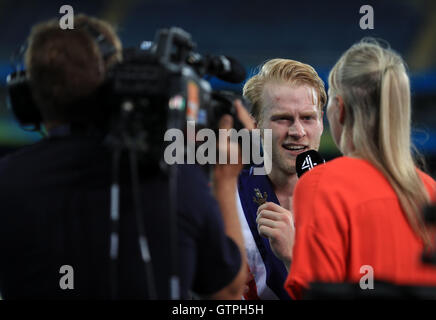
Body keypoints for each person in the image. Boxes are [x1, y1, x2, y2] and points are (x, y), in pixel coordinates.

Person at [0, 14, 248, 299]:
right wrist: (225, 178)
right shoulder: (172, 174)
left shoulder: (7, 179)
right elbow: (228, 291)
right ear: (112, 83)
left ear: (28, 97)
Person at [285, 39, 436, 300]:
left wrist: (291, 255)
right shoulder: (431, 192)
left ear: (340, 109)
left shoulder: (321, 184)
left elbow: (314, 293)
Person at [238, 58, 326, 299]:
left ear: (321, 124)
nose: (297, 132)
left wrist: (294, 256)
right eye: (282, 119)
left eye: (308, 117)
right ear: (255, 127)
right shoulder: (225, 198)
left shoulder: (352, 199)